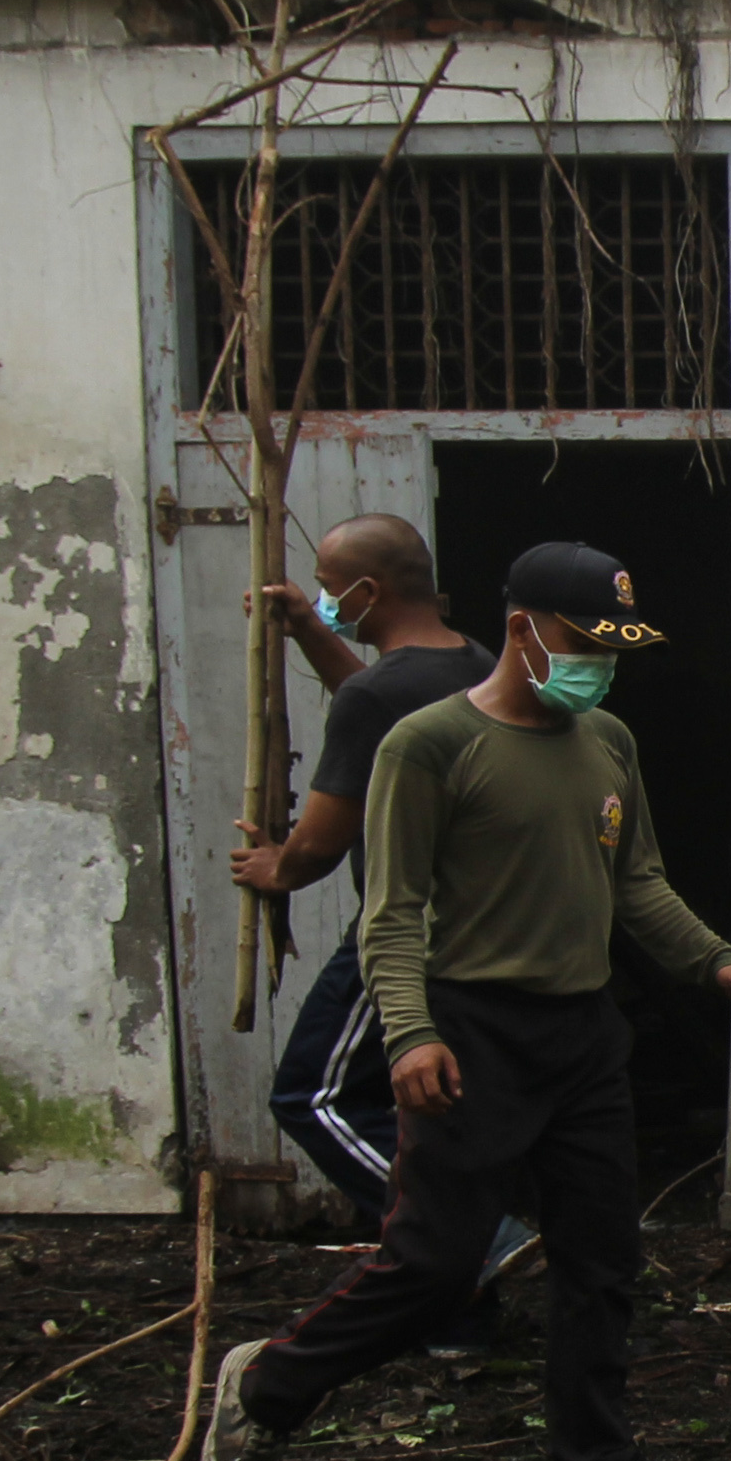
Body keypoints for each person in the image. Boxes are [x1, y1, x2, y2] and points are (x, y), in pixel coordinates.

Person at [202, 541, 731, 1461]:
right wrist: (412, 1033)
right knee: (434, 1266)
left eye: (614, 646)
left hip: (584, 1035)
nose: (600, 662)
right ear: (520, 628)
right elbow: (393, 911)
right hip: (473, 1033)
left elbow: (634, 882)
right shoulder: (426, 746)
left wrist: (711, 958)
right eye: (581, 641)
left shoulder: (608, 743)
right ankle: (264, 1392)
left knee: (602, 1260)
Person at [227, 513, 528, 1351]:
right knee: (432, 1113)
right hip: (474, 926)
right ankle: (461, 1312)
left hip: (402, 933)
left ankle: (479, 1239)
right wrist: (308, 634)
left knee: (312, 1096)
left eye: (330, 589)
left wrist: (274, 868)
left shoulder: (375, 698)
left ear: (367, 592)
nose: (325, 600)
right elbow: (374, 698)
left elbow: (319, 845)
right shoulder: (468, 661)